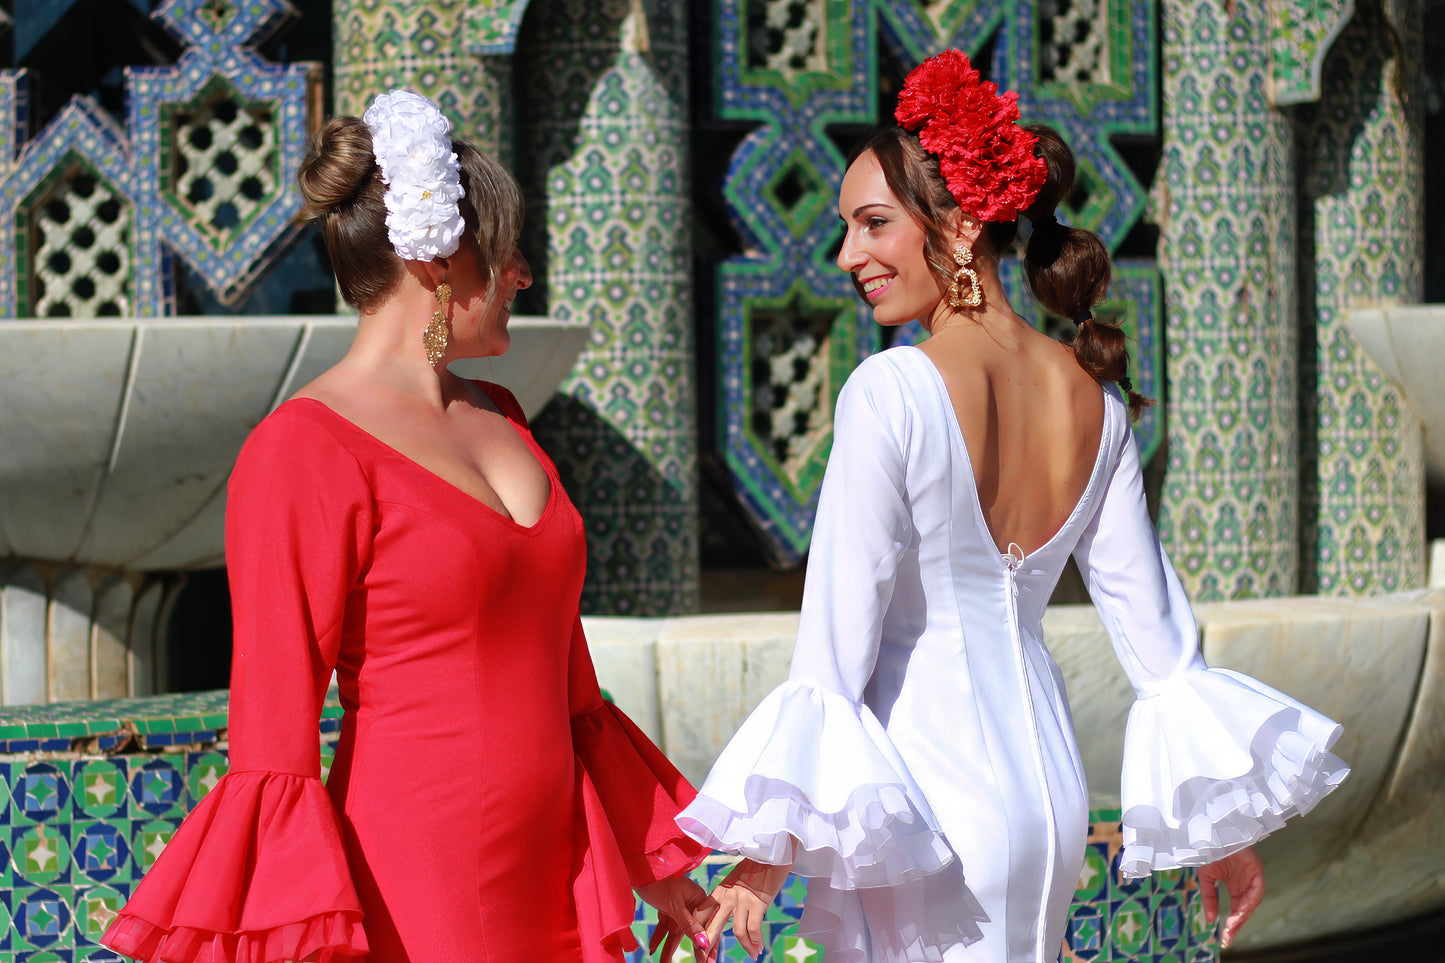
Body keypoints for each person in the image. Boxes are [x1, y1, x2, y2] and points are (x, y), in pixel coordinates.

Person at [673, 50, 1349, 963]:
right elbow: (1159, 646)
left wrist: (760, 857)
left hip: (925, 800)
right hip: (1049, 793)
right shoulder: (1094, 399)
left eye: (873, 225)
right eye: (845, 229)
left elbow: (832, 653)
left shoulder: (891, 391)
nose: (847, 256)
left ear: (955, 227)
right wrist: (1221, 829)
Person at [102, 89, 716, 963]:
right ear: (436, 261)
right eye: (504, 251)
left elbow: (569, 681)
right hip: (416, 876)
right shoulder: (302, 450)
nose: (523, 273)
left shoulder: (503, 414)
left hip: (560, 862)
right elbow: (273, 743)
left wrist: (641, 855)